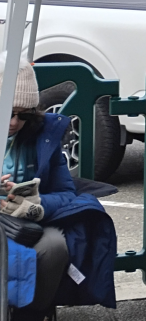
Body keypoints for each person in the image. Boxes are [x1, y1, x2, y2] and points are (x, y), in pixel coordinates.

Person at [0, 56, 117, 320]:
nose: (14, 122)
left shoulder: (45, 134)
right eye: (8, 112)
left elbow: (66, 193)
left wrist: (36, 206)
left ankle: (31, 314)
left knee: (54, 248)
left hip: (29, 220)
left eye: (24, 115)